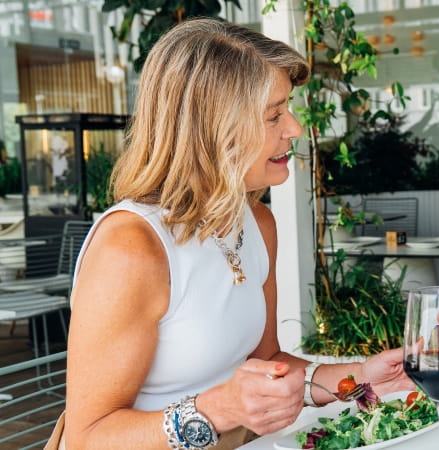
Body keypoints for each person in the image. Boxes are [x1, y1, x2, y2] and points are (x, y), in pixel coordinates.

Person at [63, 19, 412, 449]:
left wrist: (359, 377)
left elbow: (267, 364)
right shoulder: (132, 247)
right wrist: (218, 409)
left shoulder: (257, 223)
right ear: (211, 129)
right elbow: (87, 439)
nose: (295, 128)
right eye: (274, 115)